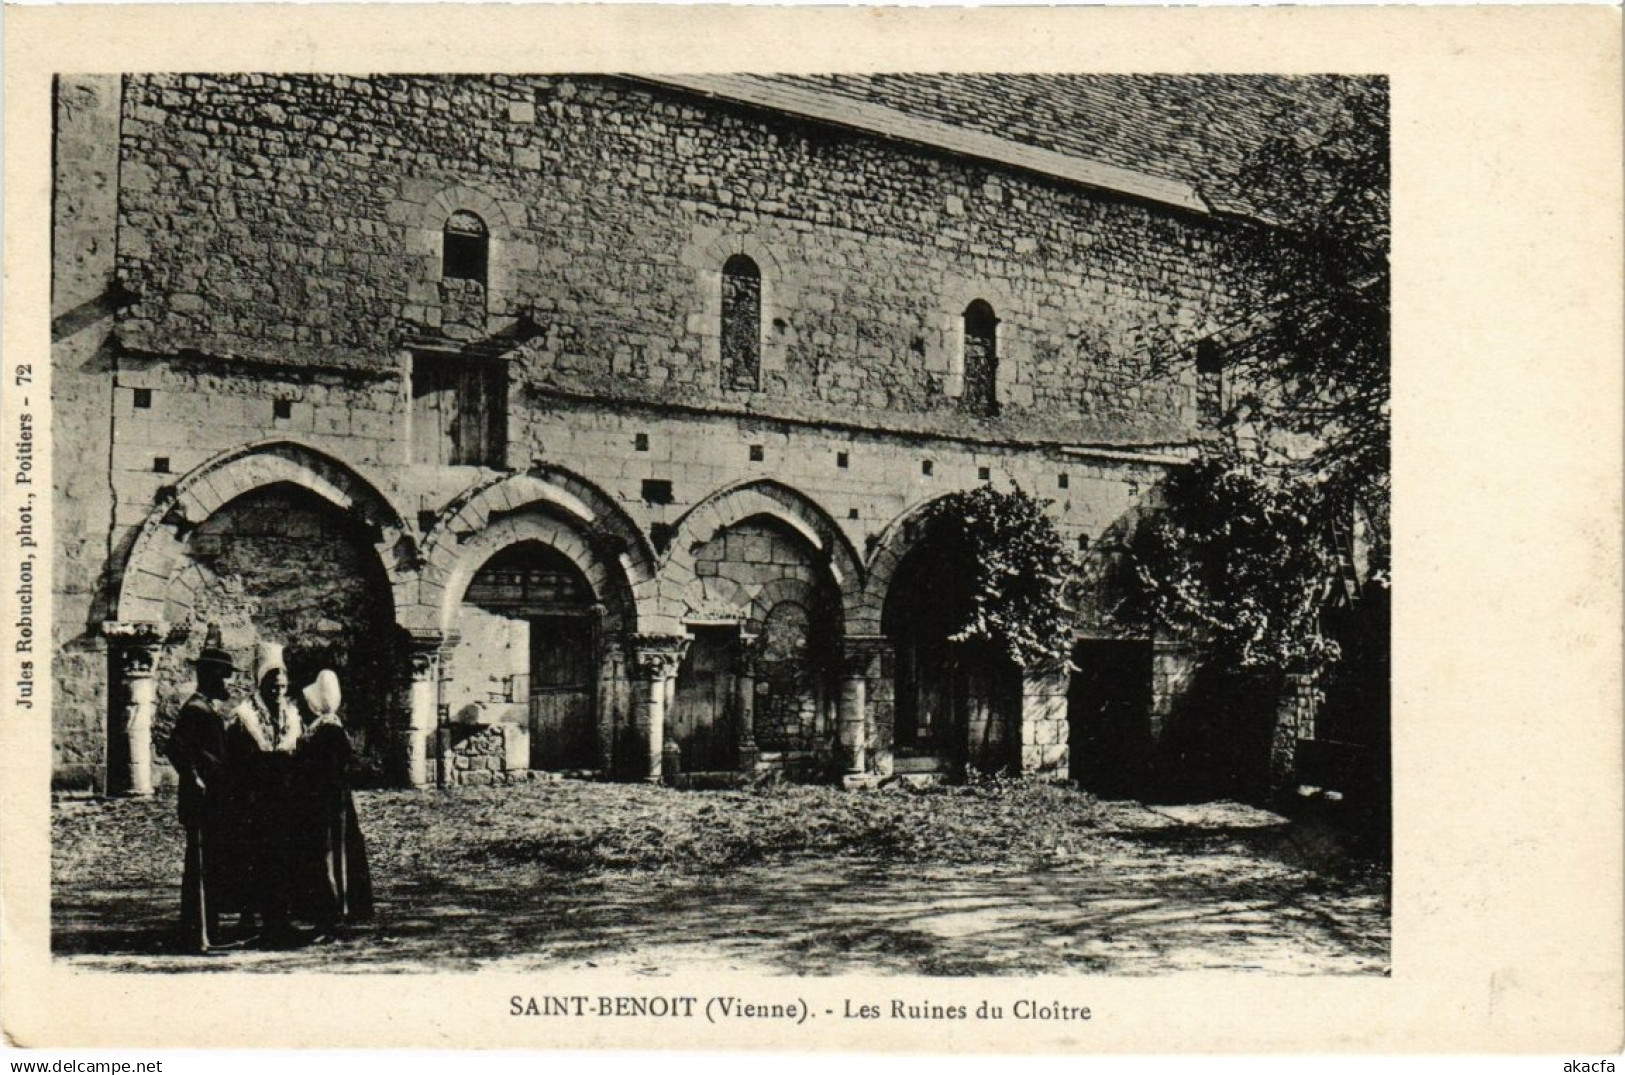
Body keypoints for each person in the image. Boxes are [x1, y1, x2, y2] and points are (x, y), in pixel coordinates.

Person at [226, 641, 305, 946]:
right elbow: (236, 761)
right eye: (273, 685)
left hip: (284, 798)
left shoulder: (292, 716)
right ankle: (249, 919)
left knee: (282, 858)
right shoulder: (244, 717)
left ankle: (279, 919)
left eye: (282, 685)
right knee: (252, 857)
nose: (278, 691)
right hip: (254, 799)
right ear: (262, 683)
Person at [164, 626, 238, 954]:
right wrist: (193, 776)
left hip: (214, 800)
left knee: (211, 865)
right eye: (224, 677)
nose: (229, 684)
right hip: (201, 801)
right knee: (201, 865)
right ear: (210, 677)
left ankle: (209, 930)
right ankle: (199, 934)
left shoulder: (207, 708)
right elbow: (176, 748)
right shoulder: (195, 709)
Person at [295, 669, 374, 935]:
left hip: (325, 802)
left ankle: (332, 910)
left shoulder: (327, 731)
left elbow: (322, 769)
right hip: (334, 800)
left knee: (328, 852)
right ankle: (337, 907)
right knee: (336, 851)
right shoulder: (332, 727)